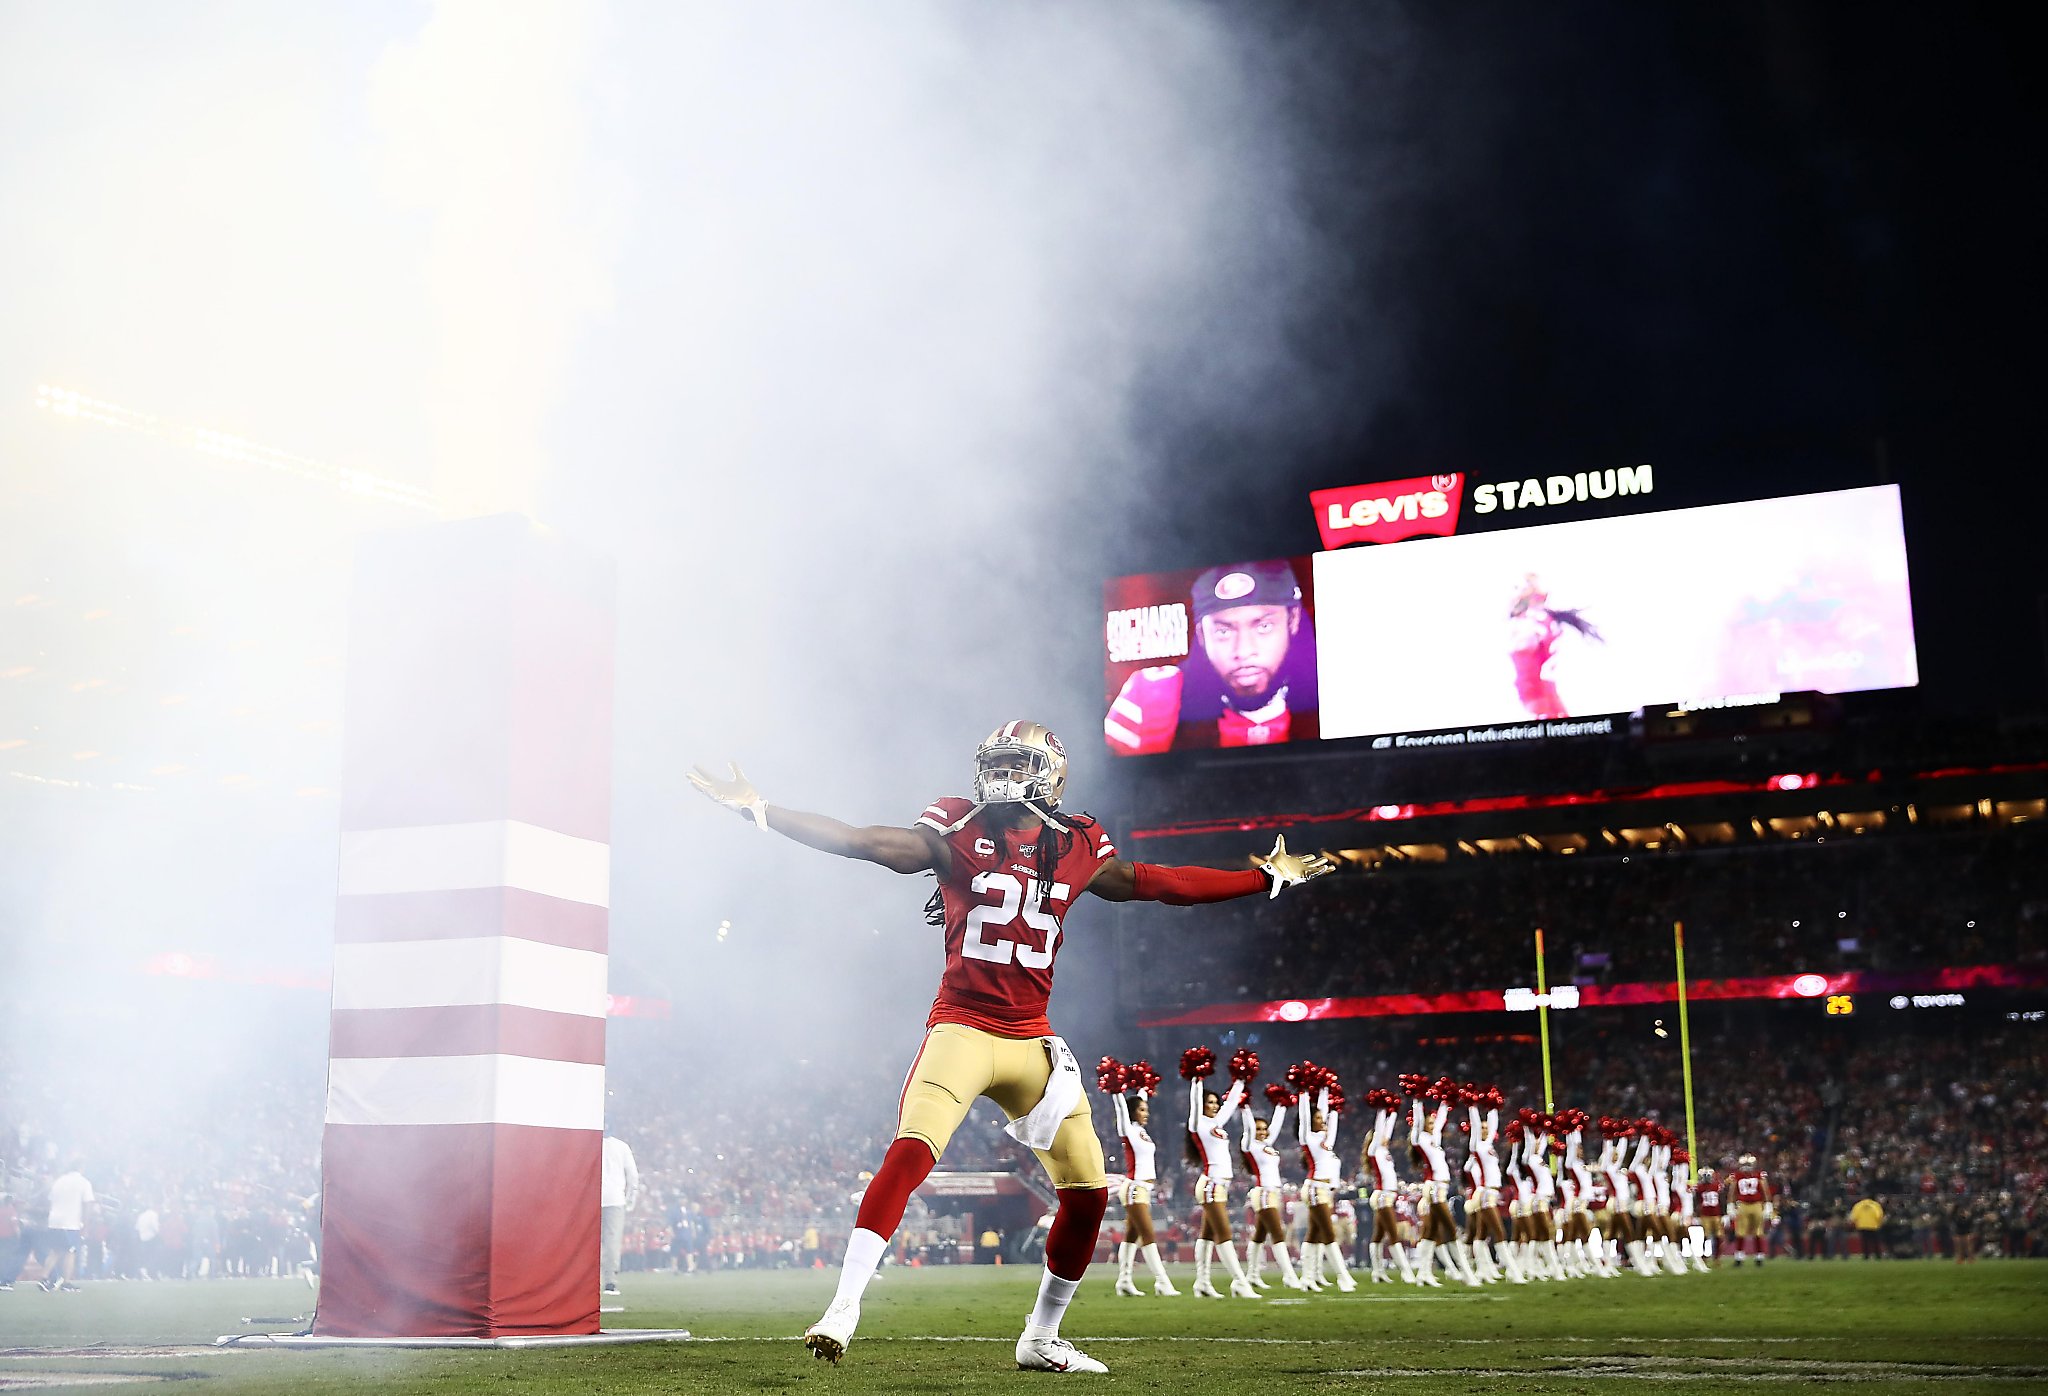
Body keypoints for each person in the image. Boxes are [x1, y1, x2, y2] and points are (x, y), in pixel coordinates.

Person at [689, 722, 1333, 1373]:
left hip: (1032, 1042)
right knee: (912, 1151)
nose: (1002, 774)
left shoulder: (1078, 841)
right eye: (995, 762)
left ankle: (1041, 1337)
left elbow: (1162, 883)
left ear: (1050, 772)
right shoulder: (956, 826)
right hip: (963, 1029)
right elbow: (864, 842)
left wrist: (1263, 880)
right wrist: (760, 810)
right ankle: (844, 1306)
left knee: (1088, 1192)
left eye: (1016, 762)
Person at [1105, 560, 1319, 754]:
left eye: (1263, 626)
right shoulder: (1153, 694)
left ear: (1293, 620)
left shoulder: (1334, 684)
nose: (1243, 651)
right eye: (1223, 632)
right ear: (1201, 635)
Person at [1186, 1065, 1258, 1299]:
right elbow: (1195, 1103)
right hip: (1210, 1185)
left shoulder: (1217, 1123)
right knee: (1224, 1232)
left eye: (1216, 1102)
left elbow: (1231, 1103)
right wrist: (1197, 1079)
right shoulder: (1198, 1124)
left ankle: (1202, 1283)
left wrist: (1239, 1080)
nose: (1215, 1106)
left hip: (1221, 1186)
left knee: (1207, 1235)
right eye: (1210, 1102)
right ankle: (1239, 1282)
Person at [1107, 1074, 1178, 1296]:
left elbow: (1139, 1097)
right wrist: (1117, 1089)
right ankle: (1162, 1282)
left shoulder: (1142, 1132)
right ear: (1132, 1112)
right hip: (1134, 1188)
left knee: (1131, 1236)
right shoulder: (1127, 1129)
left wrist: (1144, 1086)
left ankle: (1124, 1281)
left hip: (1144, 1189)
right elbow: (1121, 1107)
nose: (1147, 1113)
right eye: (1142, 1110)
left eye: (1147, 1109)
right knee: (1148, 1235)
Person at [1506, 573, 1603, 719]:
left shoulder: (1532, 621)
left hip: (1536, 693)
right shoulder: (1543, 620)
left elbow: (1525, 649)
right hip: (1542, 694)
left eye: (1519, 588)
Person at [1240, 1089, 1306, 1291]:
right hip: (1264, 1192)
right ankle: (1289, 1275)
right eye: (1258, 1129)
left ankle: (1251, 1275)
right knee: (1277, 1233)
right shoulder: (1249, 1145)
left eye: (1264, 1129)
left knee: (1260, 1235)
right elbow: (1250, 1127)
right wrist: (1245, 1107)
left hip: (1274, 1193)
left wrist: (1281, 1105)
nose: (1262, 1132)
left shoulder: (1267, 1145)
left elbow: (1275, 1126)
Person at [1298, 1083, 1356, 1291]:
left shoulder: (1325, 1138)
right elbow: (1305, 1115)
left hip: (1323, 1190)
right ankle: (1343, 1277)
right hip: (1314, 1188)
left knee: (1314, 1233)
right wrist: (1304, 1092)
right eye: (1318, 1119)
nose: (1322, 1122)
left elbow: (1325, 1112)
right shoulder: (1308, 1136)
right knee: (1328, 1233)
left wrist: (1324, 1090)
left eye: (1323, 1119)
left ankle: (1307, 1278)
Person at [1360, 1089, 1416, 1285]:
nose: (1386, 1136)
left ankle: (1377, 1272)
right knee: (1392, 1234)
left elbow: (1388, 1129)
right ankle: (1406, 1272)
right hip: (1383, 1195)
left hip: (1387, 1195)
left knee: (1378, 1235)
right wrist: (1382, 1110)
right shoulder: (1375, 1151)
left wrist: (1393, 1110)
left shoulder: (1384, 1150)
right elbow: (1380, 1127)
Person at [600, 1134, 640, 1296]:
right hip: (615, 1199)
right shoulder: (621, 1146)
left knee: (590, 1243)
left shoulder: (590, 1142)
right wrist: (630, 1200)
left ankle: (587, 1280)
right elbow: (633, 1175)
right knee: (612, 1242)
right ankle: (610, 1281)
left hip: (591, 1198)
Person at [1727, 1153, 1772, 1267]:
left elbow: (1765, 1191)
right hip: (1743, 1205)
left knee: (1758, 1231)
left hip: (1756, 1204)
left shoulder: (1758, 1175)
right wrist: (1730, 1205)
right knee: (1740, 1231)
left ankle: (1759, 1257)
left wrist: (1768, 1204)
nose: (1746, 1167)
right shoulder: (1737, 1176)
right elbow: (1732, 1192)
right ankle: (1739, 1257)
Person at [1850, 1194, 1886, 1260]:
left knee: (1864, 1242)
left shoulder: (1858, 1205)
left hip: (1862, 1226)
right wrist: (1879, 1224)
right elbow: (1879, 1216)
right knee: (1875, 1242)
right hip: (1873, 1226)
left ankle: (1866, 1256)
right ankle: (1878, 1256)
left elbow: (1853, 1217)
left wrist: (1856, 1224)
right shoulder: (1875, 1205)